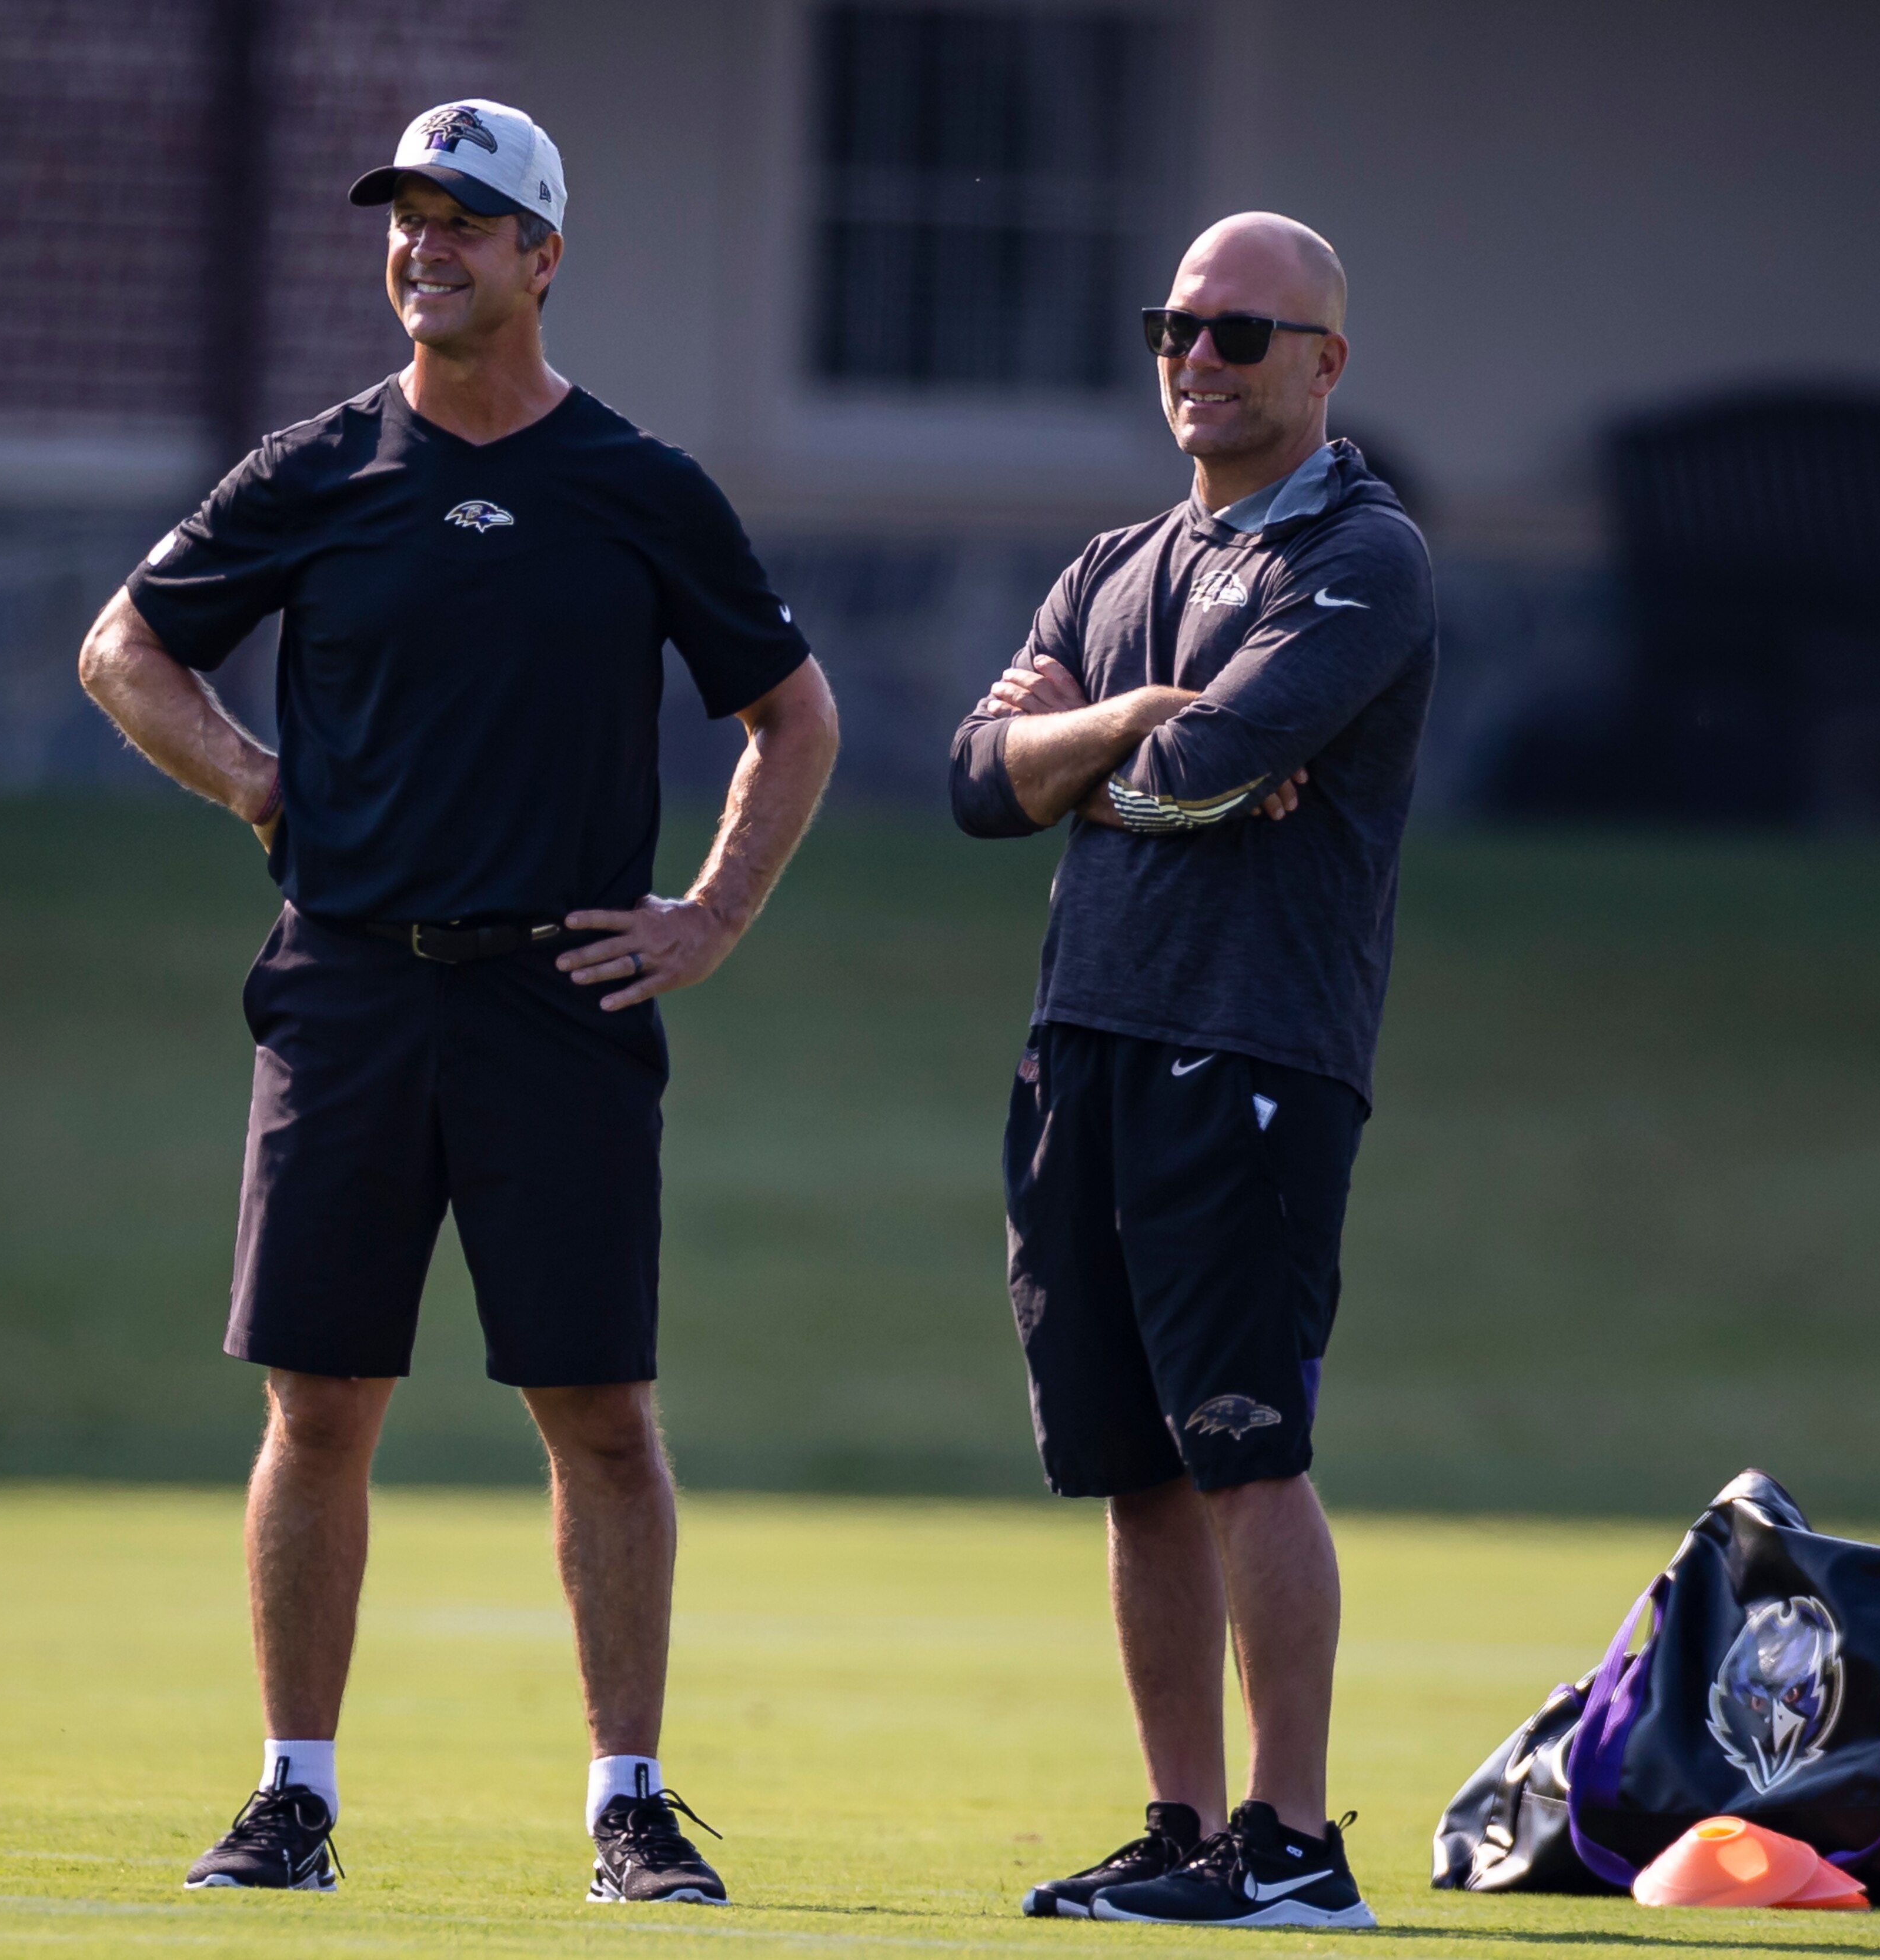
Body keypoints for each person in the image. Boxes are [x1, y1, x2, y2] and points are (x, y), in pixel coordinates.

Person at [74, 99, 838, 1905]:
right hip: (345, 989)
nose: (429, 247)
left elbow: (790, 713)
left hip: (555, 1000)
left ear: (543, 257)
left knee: (597, 1410)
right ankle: (292, 1798)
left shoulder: (638, 486)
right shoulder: (317, 469)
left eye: (469, 222)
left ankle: (629, 1809)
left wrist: (711, 917)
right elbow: (125, 646)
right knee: (318, 1403)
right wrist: (261, 786)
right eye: (407, 219)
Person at [947, 212, 1435, 1930]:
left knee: (1243, 1448)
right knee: (1129, 1468)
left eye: (1242, 334)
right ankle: (1182, 1826)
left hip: (1253, 1051)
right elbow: (974, 782)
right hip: (1085, 1037)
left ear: (1326, 363)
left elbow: (1216, 773)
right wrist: (1134, 730)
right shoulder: (1112, 560)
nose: (1200, 360)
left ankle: (1291, 1843)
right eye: (1176, 328)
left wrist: (1107, 747)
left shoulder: (1365, 558)